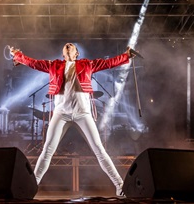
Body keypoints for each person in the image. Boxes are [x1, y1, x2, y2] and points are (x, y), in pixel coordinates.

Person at [10, 43, 135, 196]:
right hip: (61, 114)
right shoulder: (54, 65)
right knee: (47, 150)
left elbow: (108, 63)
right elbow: (34, 63)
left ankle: (120, 186)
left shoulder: (87, 64)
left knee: (99, 150)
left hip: (83, 113)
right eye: (66, 46)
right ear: (63, 53)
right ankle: (31, 187)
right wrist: (18, 56)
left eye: (72, 46)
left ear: (77, 53)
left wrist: (126, 56)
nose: (68, 45)